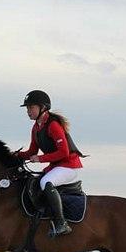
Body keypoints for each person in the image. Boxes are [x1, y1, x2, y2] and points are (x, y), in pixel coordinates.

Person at [15, 90, 84, 237]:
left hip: (70, 166)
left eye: (31, 107)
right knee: (34, 181)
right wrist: (15, 155)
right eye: (27, 108)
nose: (28, 111)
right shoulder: (36, 127)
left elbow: (64, 152)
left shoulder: (53, 125)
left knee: (46, 181)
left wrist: (40, 159)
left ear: (42, 108)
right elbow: (31, 151)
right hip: (57, 167)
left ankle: (61, 223)